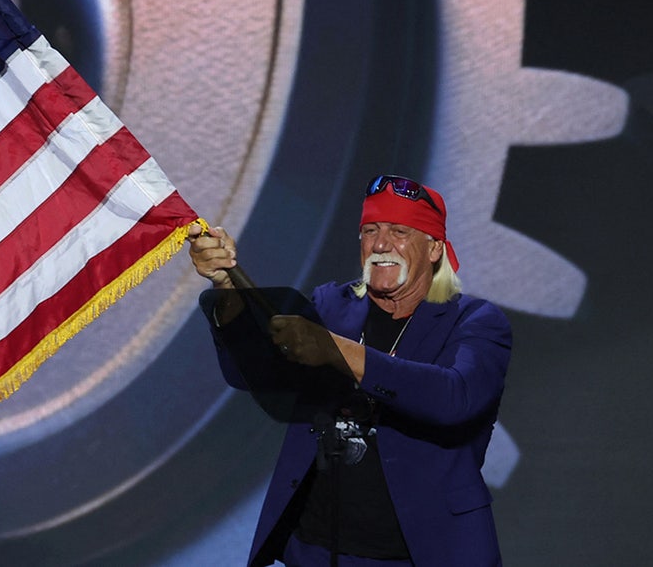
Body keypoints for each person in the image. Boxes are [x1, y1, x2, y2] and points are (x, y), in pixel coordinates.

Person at [188, 175, 512, 567]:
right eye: (370, 231)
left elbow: (454, 398)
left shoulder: (473, 321)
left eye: (399, 231)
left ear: (434, 248)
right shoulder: (332, 305)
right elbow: (255, 373)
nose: (380, 244)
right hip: (318, 551)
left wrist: (339, 351)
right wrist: (226, 287)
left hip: (420, 554)